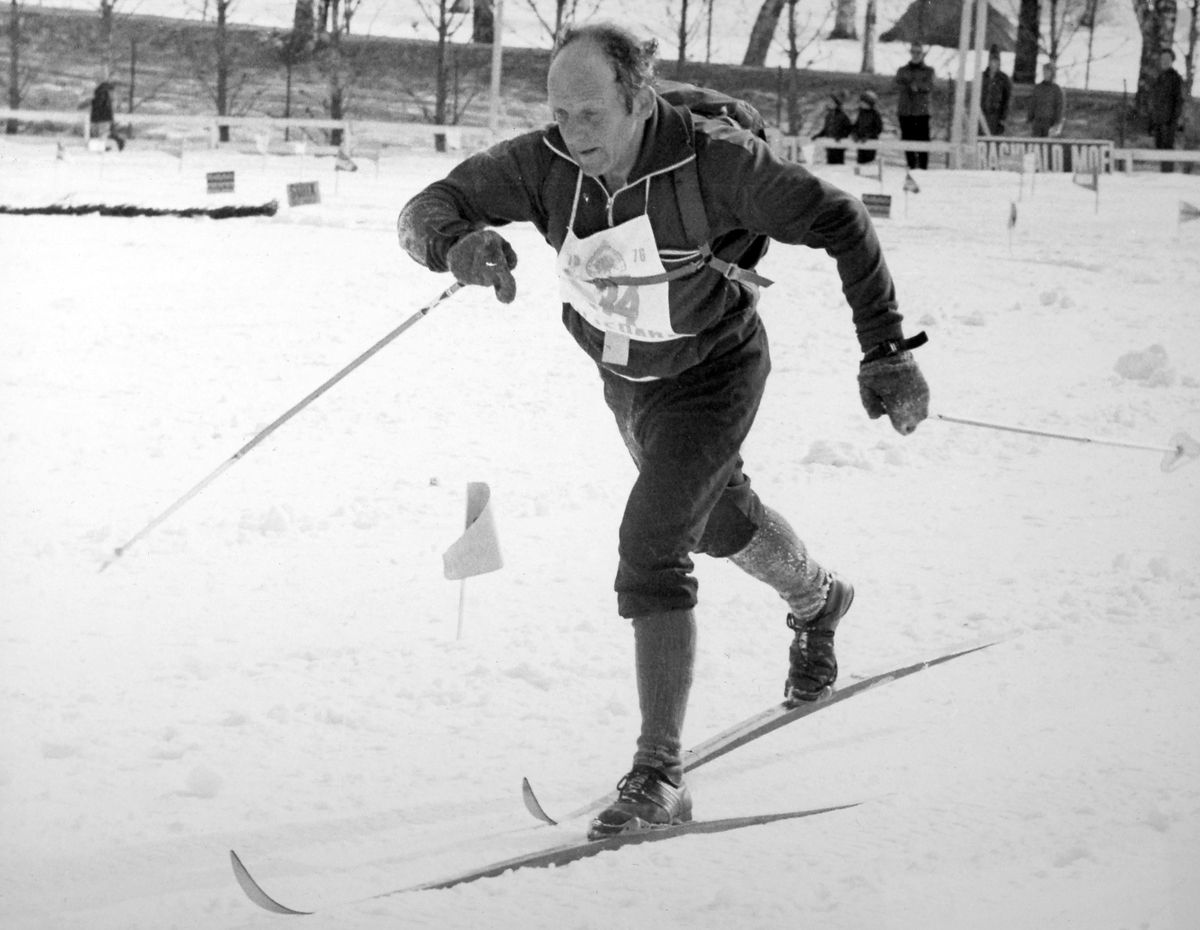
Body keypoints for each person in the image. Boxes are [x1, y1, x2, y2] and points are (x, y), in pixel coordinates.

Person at [396, 22, 929, 841]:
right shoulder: (545, 164)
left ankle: (658, 774)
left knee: (651, 543)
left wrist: (885, 351)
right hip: (628, 382)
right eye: (561, 113)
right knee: (714, 523)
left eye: (592, 114)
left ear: (639, 99)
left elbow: (842, 220)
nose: (575, 134)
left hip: (714, 374)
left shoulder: (717, 165)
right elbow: (423, 207)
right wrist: (454, 243)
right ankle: (819, 599)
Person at [894, 43, 935, 169]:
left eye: (918, 52)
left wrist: (916, 86)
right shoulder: (903, 70)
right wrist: (910, 86)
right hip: (906, 112)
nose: (916, 55)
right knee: (908, 141)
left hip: (921, 112)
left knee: (923, 142)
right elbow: (897, 85)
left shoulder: (928, 71)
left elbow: (929, 86)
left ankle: (923, 168)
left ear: (922, 54)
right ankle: (911, 166)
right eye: (914, 52)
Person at [1147, 49, 1185, 173]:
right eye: (1162, 59)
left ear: (1172, 61)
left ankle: (1167, 174)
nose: (1164, 62)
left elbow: (1179, 100)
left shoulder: (1175, 78)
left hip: (1169, 121)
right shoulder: (1157, 78)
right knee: (1159, 148)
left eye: (1167, 59)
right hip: (1157, 119)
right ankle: (1162, 174)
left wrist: (1175, 118)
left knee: (1167, 149)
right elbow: (1153, 99)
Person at [80, 81, 124, 151]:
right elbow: (109, 109)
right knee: (104, 134)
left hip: (100, 119)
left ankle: (102, 147)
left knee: (101, 134)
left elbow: (91, 103)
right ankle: (104, 146)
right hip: (104, 118)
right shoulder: (106, 98)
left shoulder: (99, 97)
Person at [980, 45, 1012, 136]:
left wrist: (1003, 117)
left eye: (996, 61)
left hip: (995, 115)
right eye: (992, 61)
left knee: (992, 137)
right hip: (982, 113)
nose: (993, 64)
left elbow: (1007, 99)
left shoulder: (1003, 79)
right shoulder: (982, 76)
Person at [812, 94, 853, 164]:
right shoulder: (828, 116)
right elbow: (826, 129)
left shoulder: (842, 116)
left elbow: (849, 128)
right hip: (829, 143)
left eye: (831, 102)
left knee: (838, 164)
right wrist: (818, 135)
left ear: (836, 104)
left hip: (839, 144)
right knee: (830, 164)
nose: (829, 104)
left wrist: (841, 136)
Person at [1027, 63, 1065, 138]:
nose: (1045, 74)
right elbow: (1032, 104)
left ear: (1052, 73)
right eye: (1044, 71)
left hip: (1050, 123)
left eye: (1048, 72)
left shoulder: (1057, 90)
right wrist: (1029, 120)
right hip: (1037, 123)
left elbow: (1059, 108)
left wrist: (1057, 124)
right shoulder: (1038, 88)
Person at [851, 90, 884, 164]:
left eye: (863, 102)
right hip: (861, 142)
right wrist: (854, 134)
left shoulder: (875, 114)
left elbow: (879, 129)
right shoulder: (861, 113)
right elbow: (856, 125)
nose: (861, 103)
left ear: (869, 103)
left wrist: (868, 136)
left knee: (869, 163)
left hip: (871, 143)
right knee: (860, 163)